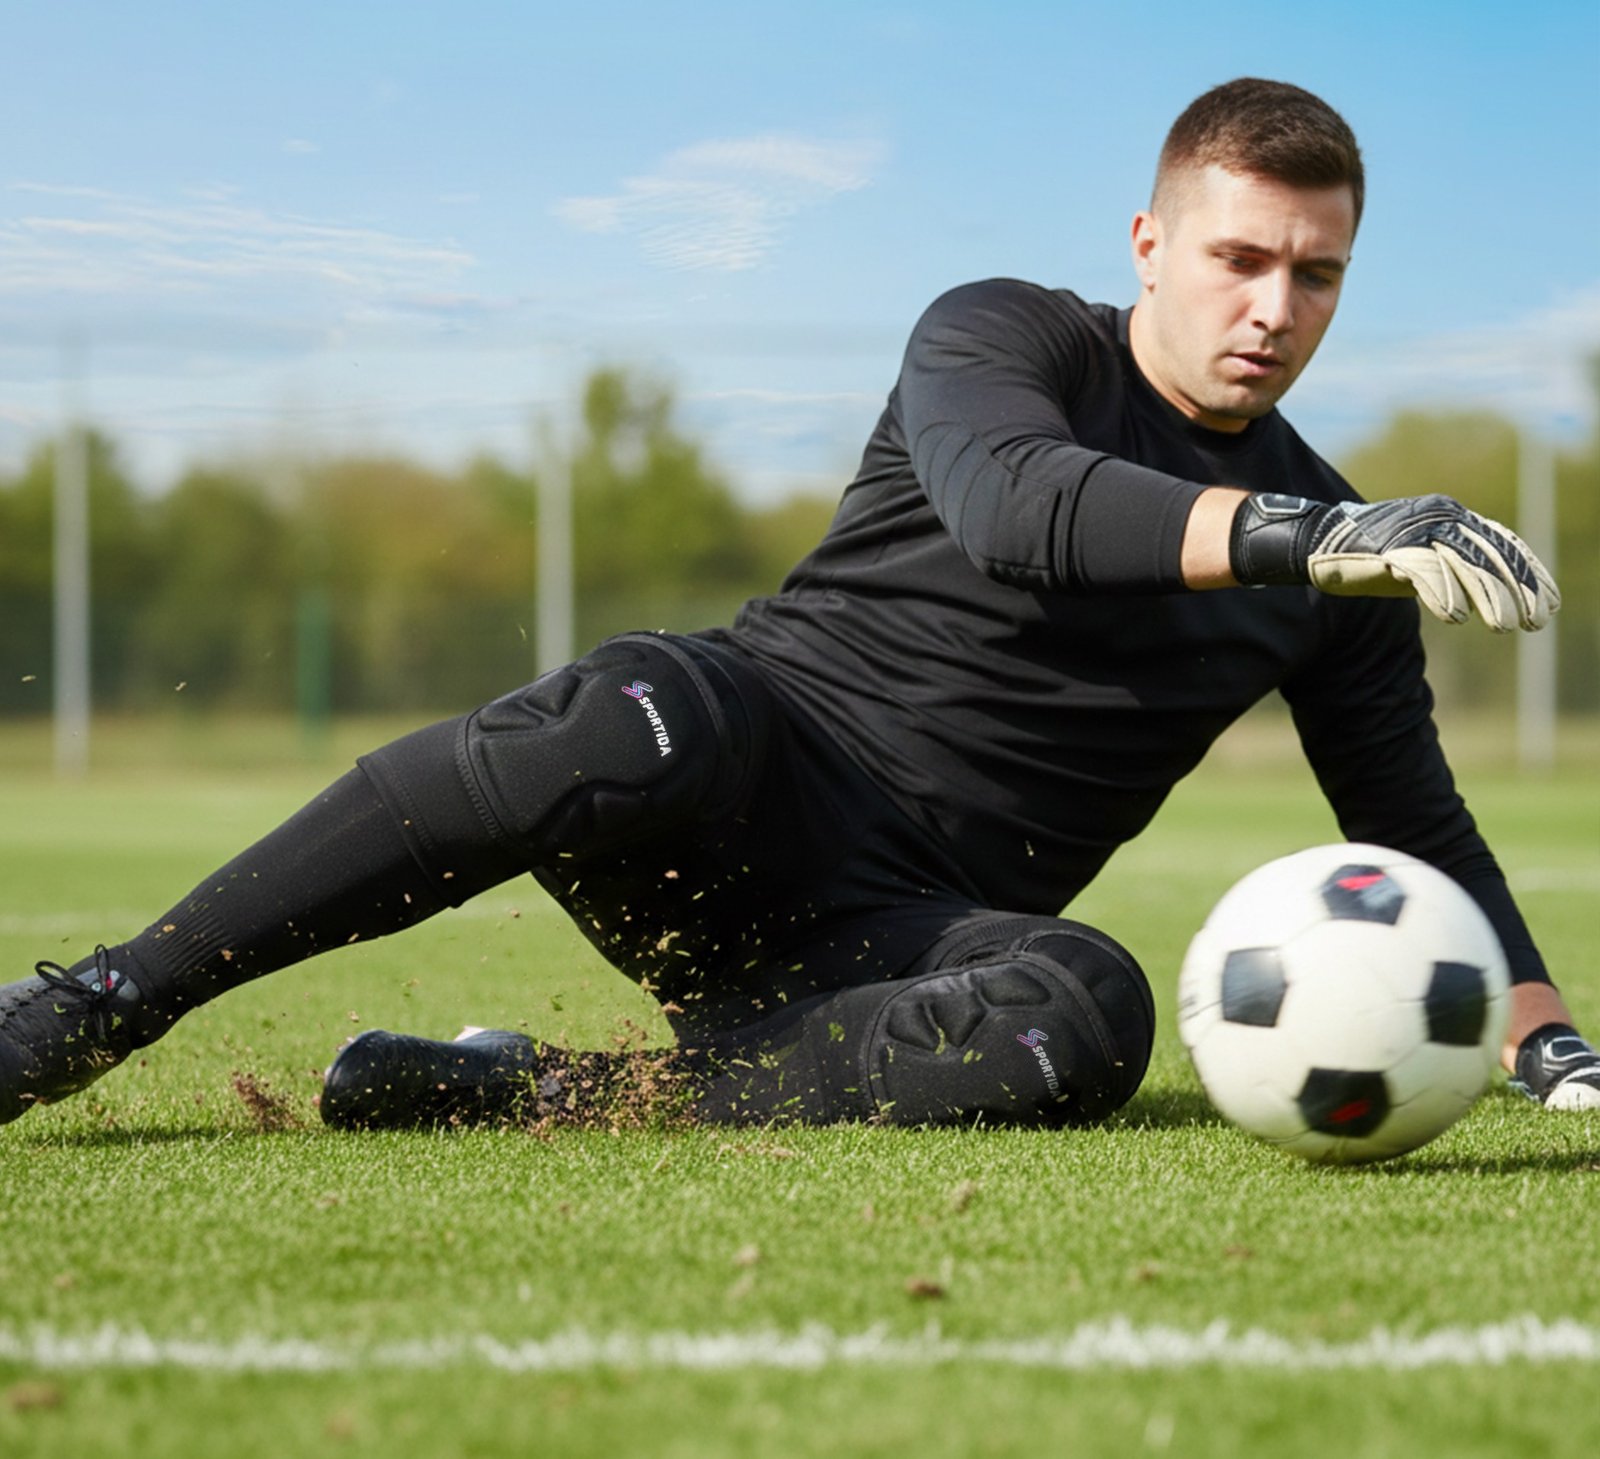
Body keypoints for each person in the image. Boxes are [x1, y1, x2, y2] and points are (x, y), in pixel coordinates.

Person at [3, 78, 1596, 1134]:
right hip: (733, 778)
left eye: (1316, 275)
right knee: (625, 717)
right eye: (1241, 257)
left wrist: (1539, 1036)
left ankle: (549, 1091)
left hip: (890, 938)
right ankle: (96, 1006)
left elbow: (1413, 823)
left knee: (1087, 1011)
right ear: (1149, 243)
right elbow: (1014, 504)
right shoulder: (1005, 335)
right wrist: (1297, 535)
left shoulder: (1336, 554)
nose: (1273, 307)